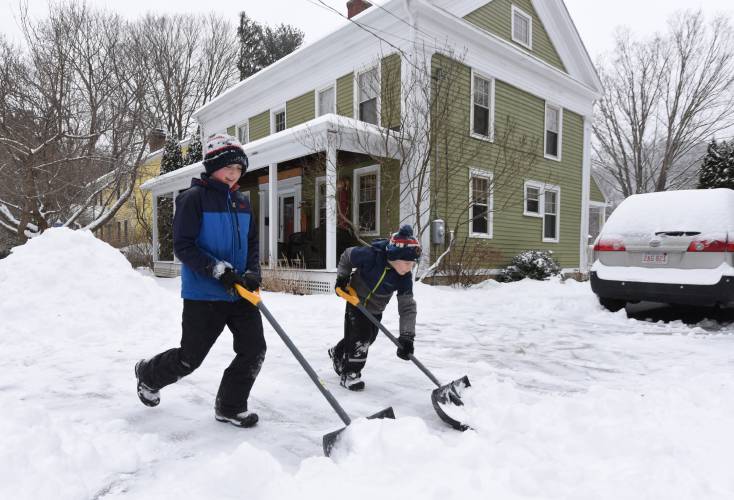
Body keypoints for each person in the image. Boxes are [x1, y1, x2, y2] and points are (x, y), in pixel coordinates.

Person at [134, 134, 266, 428]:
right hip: (204, 293)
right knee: (189, 360)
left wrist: (253, 272)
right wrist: (218, 270)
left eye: (239, 168)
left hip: (240, 293)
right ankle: (148, 374)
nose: (233, 174)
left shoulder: (242, 203)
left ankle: (230, 406)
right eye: (227, 167)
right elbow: (183, 246)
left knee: (254, 349)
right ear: (212, 166)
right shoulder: (192, 199)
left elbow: (253, 242)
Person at [328, 225, 421, 391]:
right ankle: (350, 375)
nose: (409, 268)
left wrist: (407, 337)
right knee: (361, 338)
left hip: (376, 309)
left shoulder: (404, 277)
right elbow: (347, 256)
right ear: (395, 256)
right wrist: (342, 278)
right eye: (407, 263)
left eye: (412, 264)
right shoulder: (371, 255)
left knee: (368, 338)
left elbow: (407, 307)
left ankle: (339, 351)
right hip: (356, 300)